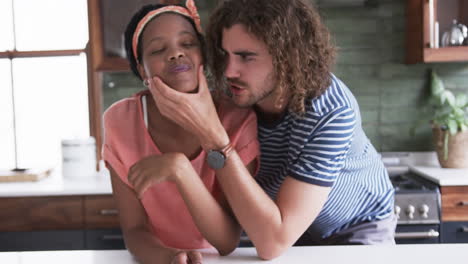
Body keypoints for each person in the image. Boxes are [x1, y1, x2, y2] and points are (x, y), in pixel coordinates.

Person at [148, 0, 396, 260]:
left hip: (356, 226)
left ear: (287, 57)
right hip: (289, 228)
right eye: (225, 55)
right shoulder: (235, 96)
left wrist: (213, 137)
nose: (230, 71)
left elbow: (272, 243)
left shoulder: (331, 109)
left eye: (246, 57)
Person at [102, 1, 259, 263]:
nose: (175, 54)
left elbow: (227, 240)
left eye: (187, 44)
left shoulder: (238, 118)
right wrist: (171, 257)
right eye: (158, 49)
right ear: (142, 69)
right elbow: (134, 230)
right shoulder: (120, 120)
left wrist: (180, 169)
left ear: (204, 55)